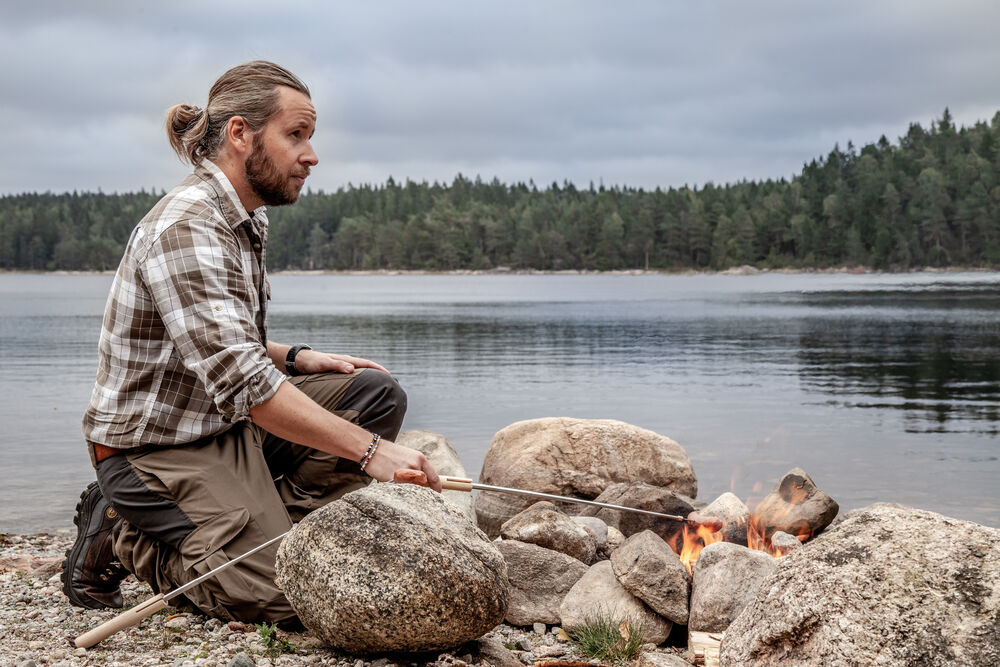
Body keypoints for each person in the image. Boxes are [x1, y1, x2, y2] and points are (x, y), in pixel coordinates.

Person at [62, 61, 441, 624]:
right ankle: (123, 533)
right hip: (154, 451)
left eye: (310, 136)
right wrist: (371, 452)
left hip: (225, 423)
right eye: (297, 135)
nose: (311, 155)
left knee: (373, 394)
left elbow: (216, 339)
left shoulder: (245, 218)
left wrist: (295, 357)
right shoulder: (188, 226)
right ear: (240, 134)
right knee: (286, 595)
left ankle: (264, 532)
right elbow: (244, 382)